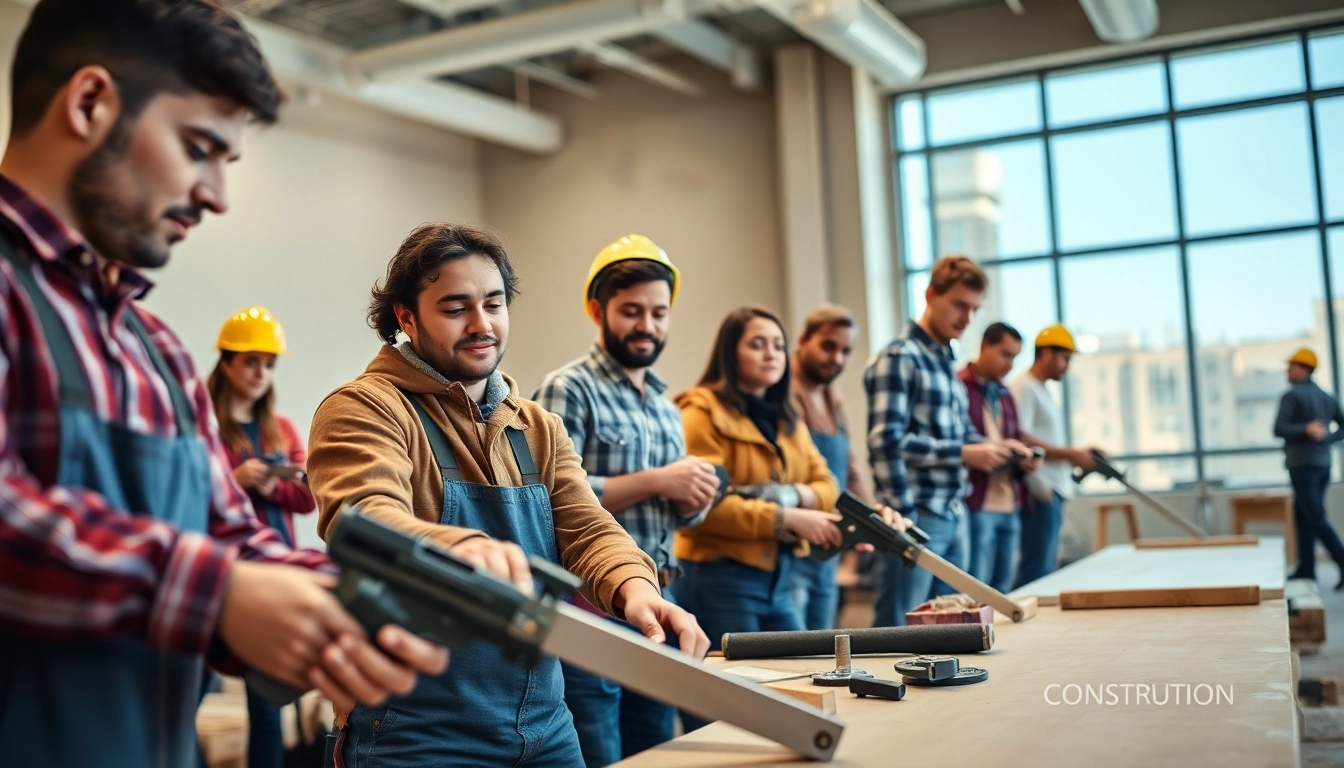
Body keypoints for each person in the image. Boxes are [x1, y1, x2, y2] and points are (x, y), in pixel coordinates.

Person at [0, 3, 446, 765]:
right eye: (198, 148)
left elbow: (228, 535)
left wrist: (364, 593)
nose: (217, 196)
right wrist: (216, 594)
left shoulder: (158, 351)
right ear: (88, 103)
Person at [306, 222, 710, 766]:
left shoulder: (538, 427)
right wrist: (462, 549)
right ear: (405, 317)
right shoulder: (363, 409)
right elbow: (365, 518)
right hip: (416, 731)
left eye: (494, 304)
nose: (481, 325)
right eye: (455, 308)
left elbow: (588, 529)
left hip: (545, 724)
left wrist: (636, 589)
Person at [534, 235, 718, 767]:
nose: (647, 325)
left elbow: (680, 510)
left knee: (659, 752)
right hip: (592, 611)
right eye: (632, 311)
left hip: (658, 603)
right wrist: (659, 480)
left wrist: (693, 498)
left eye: (658, 313)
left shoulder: (664, 406)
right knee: (602, 756)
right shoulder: (569, 388)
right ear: (599, 310)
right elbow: (550, 497)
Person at [865, 256, 1032, 627]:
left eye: (973, 309)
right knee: (896, 632)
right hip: (916, 515)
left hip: (955, 514)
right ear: (930, 295)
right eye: (959, 305)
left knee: (950, 629)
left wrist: (1001, 448)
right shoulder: (899, 357)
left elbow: (956, 435)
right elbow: (886, 443)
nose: (967, 318)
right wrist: (903, 517)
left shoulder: (944, 362)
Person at [208, 306, 316, 768]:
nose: (260, 373)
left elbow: (308, 498)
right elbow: (194, 494)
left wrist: (276, 484)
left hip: (278, 571)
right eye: (251, 361)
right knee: (261, 702)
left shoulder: (282, 428)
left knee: (271, 704)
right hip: (227, 577)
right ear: (227, 362)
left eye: (269, 364)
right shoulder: (207, 428)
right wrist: (238, 478)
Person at [787, 303, 874, 630]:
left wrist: (873, 518)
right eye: (827, 346)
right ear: (802, 340)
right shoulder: (783, 393)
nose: (836, 358)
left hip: (828, 550)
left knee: (823, 651)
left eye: (844, 351)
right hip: (793, 550)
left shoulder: (833, 398)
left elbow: (850, 471)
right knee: (792, 651)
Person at [1010, 324, 1104, 589]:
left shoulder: (1040, 389)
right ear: (1047, 353)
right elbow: (1021, 439)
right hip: (1041, 491)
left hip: (1052, 490)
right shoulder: (1024, 387)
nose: (1067, 365)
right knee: (1036, 568)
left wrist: (1079, 453)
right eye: (1065, 358)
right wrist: (1070, 455)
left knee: (1046, 565)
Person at [958, 322, 1037, 594]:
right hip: (978, 501)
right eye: (1005, 354)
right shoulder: (960, 386)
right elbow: (960, 441)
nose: (1010, 364)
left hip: (1009, 501)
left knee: (1004, 586)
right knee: (978, 586)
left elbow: (1015, 438)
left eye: (1015, 357)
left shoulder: (1005, 394)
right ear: (984, 346)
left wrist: (1023, 460)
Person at [1275, 347, 1344, 590]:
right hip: (1323, 465)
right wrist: (1326, 439)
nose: (1287, 370)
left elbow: (1279, 428)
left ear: (1304, 368)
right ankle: (1306, 569)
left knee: (1314, 517)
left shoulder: (1291, 396)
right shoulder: (1328, 397)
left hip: (1302, 465)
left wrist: (1305, 429)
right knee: (1303, 517)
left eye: (1291, 366)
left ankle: (1341, 560)